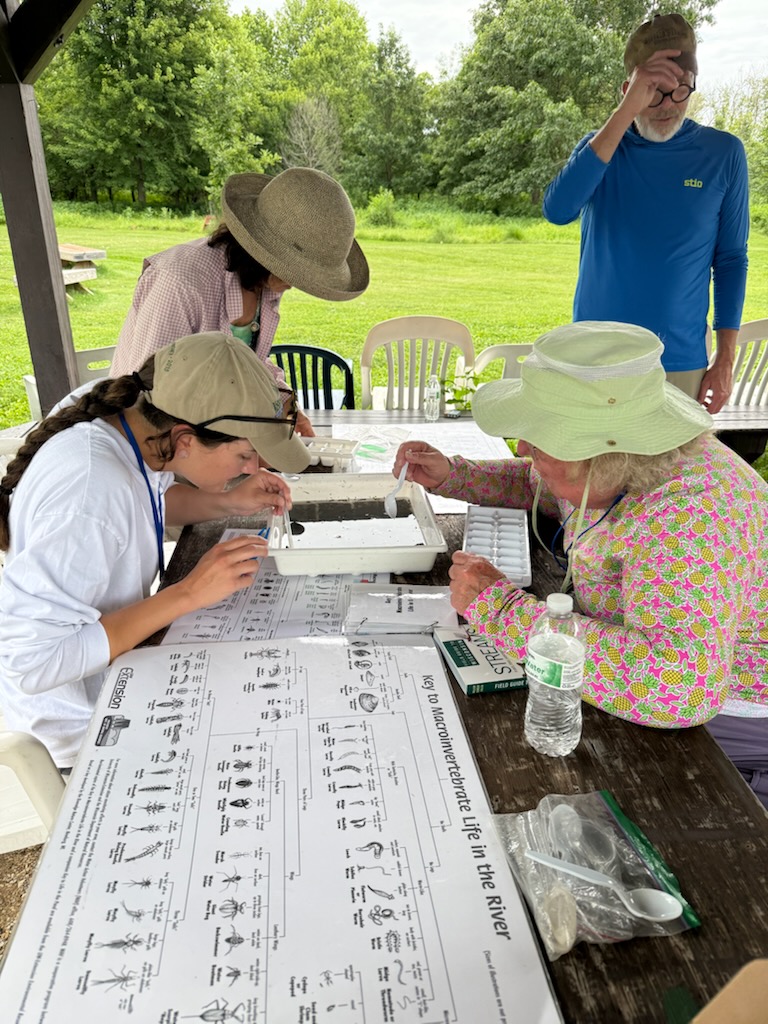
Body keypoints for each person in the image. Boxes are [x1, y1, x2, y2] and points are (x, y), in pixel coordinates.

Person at [394, 321, 768, 807]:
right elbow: (543, 487)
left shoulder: (692, 516)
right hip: (640, 674)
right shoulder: (617, 466)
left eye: (541, 436)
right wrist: (457, 476)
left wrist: (502, 611)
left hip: (728, 714)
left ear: (601, 455)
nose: (524, 447)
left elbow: (676, 687)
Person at [0, 332, 309, 770]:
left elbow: (142, 505)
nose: (251, 469)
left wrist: (229, 501)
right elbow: (33, 663)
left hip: (118, 675)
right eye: (244, 455)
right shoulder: (88, 493)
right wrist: (187, 593)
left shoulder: (129, 417)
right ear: (184, 440)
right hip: (83, 728)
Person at [542, 13, 749, 415]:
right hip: (593, 360)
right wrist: (624, 113)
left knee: (669, 479)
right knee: (588, 478)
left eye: (680, 90)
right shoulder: (601, 148)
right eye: (653, 92)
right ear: (628, 90)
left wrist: (724, 360)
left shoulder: (723, 154)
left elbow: (731, 261)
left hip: (678, 364)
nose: (667, 106)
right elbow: (557, 209)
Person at [110, 167, 370, 437]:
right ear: (261, 251)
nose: (295, 283)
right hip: (147, 449)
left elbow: (251, 364)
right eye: (294, 270)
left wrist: (287, 409)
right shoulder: (179, 283)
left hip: (208, 442)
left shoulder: (265, 282)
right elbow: (149, 398)